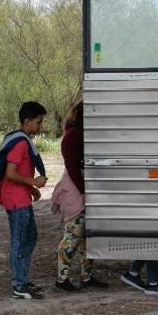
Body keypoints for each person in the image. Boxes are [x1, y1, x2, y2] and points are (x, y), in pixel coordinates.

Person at [0, 101, 49, 300]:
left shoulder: (21, 139)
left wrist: (31, 188)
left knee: (30, 236)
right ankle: (18, 284)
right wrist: (33, 181)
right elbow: (10, 173)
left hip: (21, 196)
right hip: (16, 200)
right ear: (27, 121)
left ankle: (22, 278)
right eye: (38, 122)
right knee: (20, 240)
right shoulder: (20, 143)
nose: (40, 126)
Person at [52, 101, 108, 292]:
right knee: (73, 236)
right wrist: (85, 190)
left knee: (86, 237)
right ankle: (62, 278)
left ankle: (86, 276)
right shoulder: (75, 135)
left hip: (79, 189)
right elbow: (72, 167)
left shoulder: (76, 134)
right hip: (76, 191)